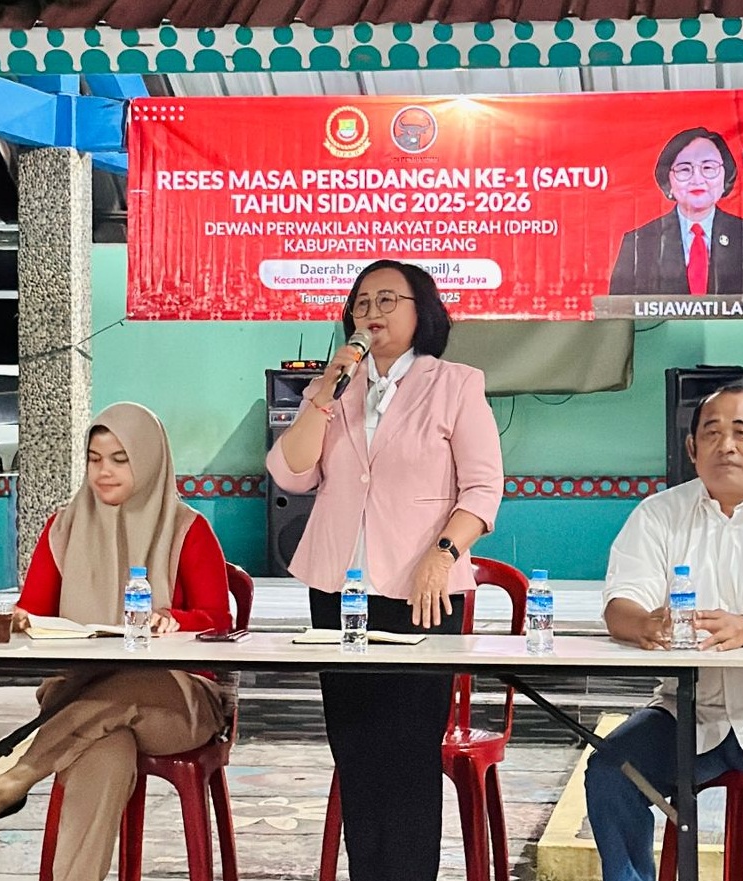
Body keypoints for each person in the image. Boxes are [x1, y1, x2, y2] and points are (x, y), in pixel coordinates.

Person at [266, 259, 503, 881]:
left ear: (422, 312)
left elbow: (483, 490)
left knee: (408, 756)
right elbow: (290, 472)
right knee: (355, 752)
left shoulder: (456, 384)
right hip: (338, 593)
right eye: (362, 301)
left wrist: (443, 554)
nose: (371, 312)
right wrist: (324, 391)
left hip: (420, 592)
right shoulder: (337, 387)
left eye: (387, 300)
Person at [0, 402, 233, 881]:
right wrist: (20, 619)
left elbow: (219, 621)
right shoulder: (64, 527)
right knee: (104, 750)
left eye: (120, 459)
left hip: (175, 701)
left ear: (149, 460)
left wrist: (174, 619)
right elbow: (33, 610)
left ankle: (8, 781)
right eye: (95, 458)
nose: (104, 472)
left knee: (118, 695)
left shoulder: (188, 529)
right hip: (79, 691)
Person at [584, 386, 743, 881]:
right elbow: (620, 606)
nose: (726, 445)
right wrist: (645, 623)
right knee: (611, 771)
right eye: (712, 433)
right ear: (692, 448)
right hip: (687, 712)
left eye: (741, 432)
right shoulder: (659, 513)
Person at [609, 128, 743, 296]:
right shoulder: (639, 243)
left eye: (708, 168)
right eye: (684, 169)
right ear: (668, 181)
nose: (697, 179)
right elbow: (620, 311)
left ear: (725, 176)